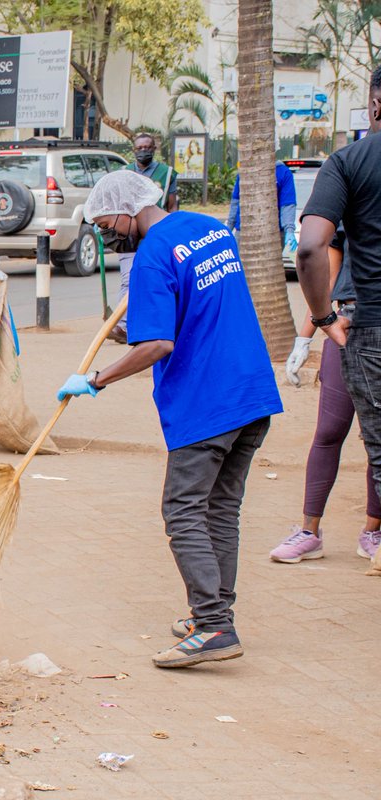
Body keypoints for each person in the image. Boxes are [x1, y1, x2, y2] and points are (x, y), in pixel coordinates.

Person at [58, 170, 282, 668]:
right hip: (251, 391)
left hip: (207, 402)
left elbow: (158, 344)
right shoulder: (209, 229)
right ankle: (216, 610)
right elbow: (199, 305)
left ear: (125, 210)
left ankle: (213, 625)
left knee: (182, 511)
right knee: (221, 509)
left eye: (104, 222)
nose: (105, 232)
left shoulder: (153, 255)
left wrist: (96, 380)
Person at [295, 64, 381, 574]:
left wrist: (322, 317)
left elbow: (309, 249)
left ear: (374, 105)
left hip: (368, 326)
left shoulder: (348, 162)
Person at [275, 228, 381, 563]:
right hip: (346, 328)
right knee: (329, 431)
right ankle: (309, 531)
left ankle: (372, 531)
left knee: (375, 437)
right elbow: (326, 280)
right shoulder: (348, 220)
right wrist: (303, 339)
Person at [110, 132, 178, 343]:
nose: (143, 152)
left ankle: (153, 323)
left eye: (147, 147)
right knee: (129, 279)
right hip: (130, 235)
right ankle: (123, 326)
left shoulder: (166, 174)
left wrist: (173, 228)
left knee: (157, 279)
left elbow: (172, 204)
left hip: (157, 234)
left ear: (154, 148)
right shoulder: (124, 173)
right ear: (133, 150)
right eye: (139, 148)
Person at [227, 160, 299, 254]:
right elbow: (236, 202)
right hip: (244, 232)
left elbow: (287, 204)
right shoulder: (245, 171)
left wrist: (289, 230)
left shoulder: (282, 172)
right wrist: (228, 228)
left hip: (273, 233)